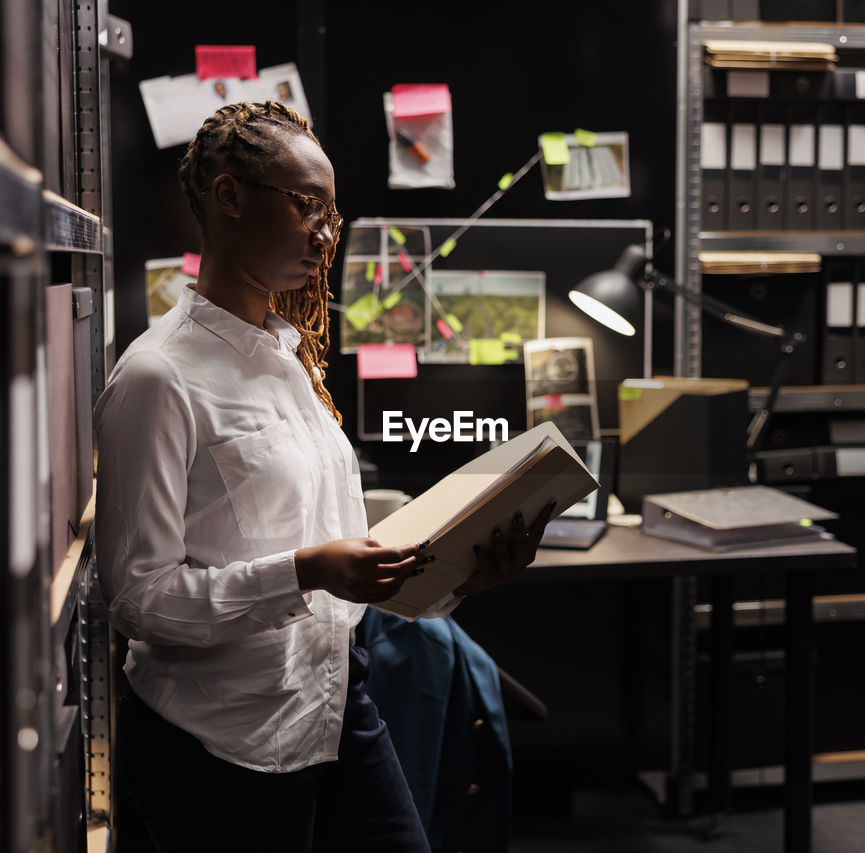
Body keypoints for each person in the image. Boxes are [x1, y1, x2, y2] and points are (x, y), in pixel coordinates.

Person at [95, 100, 551, 852]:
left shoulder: (289, 359)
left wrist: (461, 575)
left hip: (334, 708)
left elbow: (341, 571)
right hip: (221, 745)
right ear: (229, 197)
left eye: (333, 215)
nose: (325, 233)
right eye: (307, 206)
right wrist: (305, 571)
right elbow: (140, 600)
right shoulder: (156, 377)